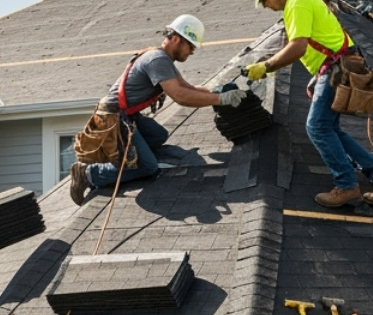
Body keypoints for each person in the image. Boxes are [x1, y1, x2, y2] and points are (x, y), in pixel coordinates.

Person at [241, 0, 373, 209]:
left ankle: (347, 186)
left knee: (316, 127)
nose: (265, 6)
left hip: (336, 69)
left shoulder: (297, 3)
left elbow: (298, 47)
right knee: (330, 130)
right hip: (336, 67)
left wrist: (266, 66)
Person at [69, 14, 245, 205]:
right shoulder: (157, 60)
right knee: (149, 167)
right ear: (176, 38)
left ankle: (128, 154)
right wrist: (220, 99)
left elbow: (189, 88)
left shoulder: (164, 60)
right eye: (191, 45)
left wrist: (216, 90)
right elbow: (180, 96)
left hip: (126, 116)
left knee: (158, 135)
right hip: (112, 119)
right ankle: (88, 173)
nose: (192, 51)